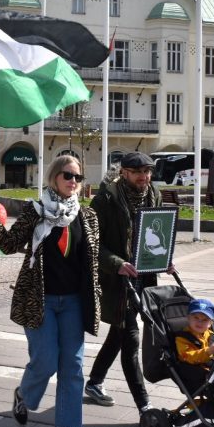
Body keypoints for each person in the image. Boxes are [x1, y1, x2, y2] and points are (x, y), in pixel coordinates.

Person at [0, 155, 100, 427]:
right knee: (45, 360)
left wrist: (121, 266)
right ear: (54, 177)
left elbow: (95, 261)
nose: (74, 182)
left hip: (73, 301)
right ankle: (25, 395)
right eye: (68, 175)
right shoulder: (36, 213)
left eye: (78, 177)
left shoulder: (88, 218)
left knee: (72, 365)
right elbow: (8, 245)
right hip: (40, 299)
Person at [84, 151, 162, 412]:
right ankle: (144, 405)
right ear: (124, 173)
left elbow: (157, 232)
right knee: (130, 338)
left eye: (148, 172)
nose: (145, 177)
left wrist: (164, 257)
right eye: (139, 172)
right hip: (118, 280)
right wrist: (116, 264)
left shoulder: (153, 194)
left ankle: (94, 382)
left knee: (118, 334)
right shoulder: (106, 199)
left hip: (145, 277)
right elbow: (93, 242)